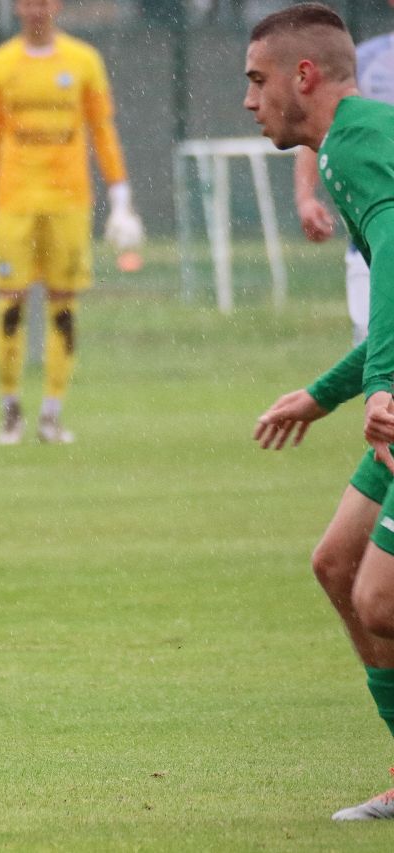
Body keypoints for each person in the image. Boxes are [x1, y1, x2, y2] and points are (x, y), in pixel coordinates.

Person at [248, 2, 394, 821]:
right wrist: (327, 390)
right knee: (339, 564)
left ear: (303, 76)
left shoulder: (352, 146)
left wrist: (383, 386)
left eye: (256, 79)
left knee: (382, 598)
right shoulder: (360, 142)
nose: (249, 100)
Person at [0, 0, 143, 445]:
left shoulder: (83, 61)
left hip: (69, 200)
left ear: (56, 5)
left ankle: (52, 414)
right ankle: (10, 410)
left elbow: (102, 129)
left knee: (63, 303)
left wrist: (121, 199)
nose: (35, 10)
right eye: (27, 2)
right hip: (15, 202)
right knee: (10, 301)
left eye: (43, 1)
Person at [292, 0, 394, 345]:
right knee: (374, 342)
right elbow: (324, 125)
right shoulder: (366, 61)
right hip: (373, 233)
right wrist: (306, 197)